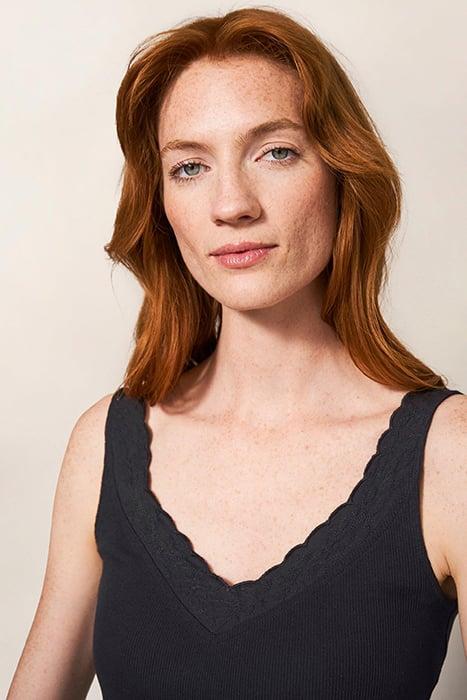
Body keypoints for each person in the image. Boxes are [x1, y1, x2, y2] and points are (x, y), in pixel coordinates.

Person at [8, 6, 466, 699]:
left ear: (342, 172)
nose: (231, 205)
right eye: (190, 166)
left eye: (274, 152)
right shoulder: (104, 445)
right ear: (161, 204)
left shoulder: (448, 456)